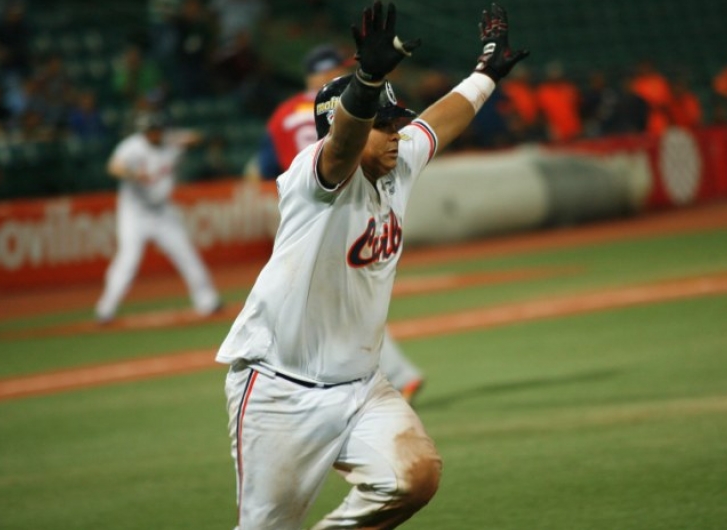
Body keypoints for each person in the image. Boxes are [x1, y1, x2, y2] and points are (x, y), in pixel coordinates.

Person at [215, 2, 528, 528]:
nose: (397, 135)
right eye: (383, 126)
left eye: (395, 123)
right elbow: (341, 147)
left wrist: (485, 74)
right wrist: (365, 81)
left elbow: (439, 122)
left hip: (360, 386)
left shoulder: (397, 160)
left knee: (414, 477)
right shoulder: (313, 178)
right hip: (280, 389)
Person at [256, 42, 425, 401]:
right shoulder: (348, 104)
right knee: (339, 294)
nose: (332, 72)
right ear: (313, 74)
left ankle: (387, 375)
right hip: (332, 196)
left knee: (338, 294)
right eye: (328, 68)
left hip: (309, 196)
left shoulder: (287, 112)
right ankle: (386, 375)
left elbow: (266, 164)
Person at [95, 112, 221, 323]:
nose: (154, 134)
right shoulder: (132, 146)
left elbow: (198, 137)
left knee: (186, 253)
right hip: (134, 212)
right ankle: (105, 309)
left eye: (157, 130)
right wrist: (133, 174)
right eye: (150, 131)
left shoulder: (170, 141)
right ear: (143, 132)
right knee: (128, 259)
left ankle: (208, 301)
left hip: (163, 212)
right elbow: (113, 167)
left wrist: (180, 139)